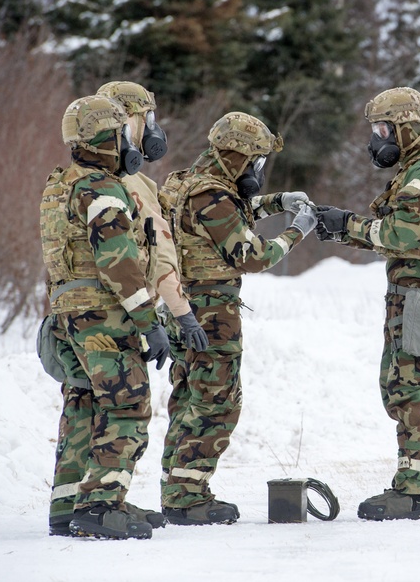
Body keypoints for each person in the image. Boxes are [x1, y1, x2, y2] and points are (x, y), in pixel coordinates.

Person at [315, 87, 420, 521]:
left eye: (382, 129)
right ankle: (412, 485)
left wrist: (347, 223)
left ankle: (418, 494)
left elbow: (403, 235)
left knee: (416, 393)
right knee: (402, 391)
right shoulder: (419, 170)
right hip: (411, 299)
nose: (375, 140)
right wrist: (341, 229)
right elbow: (397, 235)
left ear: (406, 128)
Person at [157, 111, 317, 525]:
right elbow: (252, 255)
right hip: (211, 312)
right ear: (238, 157)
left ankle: (176, 487)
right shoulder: (213, 195)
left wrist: (280, 202)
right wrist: (297, 230)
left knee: (189, 397)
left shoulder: (187, 183)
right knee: (217, 402)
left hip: (182, 306)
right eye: (257, 161)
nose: (259, 170)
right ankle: (188, 497)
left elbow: (234, 212)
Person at [40, 95, 172, 540]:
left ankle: (70, 502)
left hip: (67, 312)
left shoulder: (61, 184)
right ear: (106, 138)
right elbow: (118, 260)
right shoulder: (101, 188)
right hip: (102, 314)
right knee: (127, 403)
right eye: (119, 134)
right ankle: (98, 507)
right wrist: (149, 321)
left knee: (84, 403)